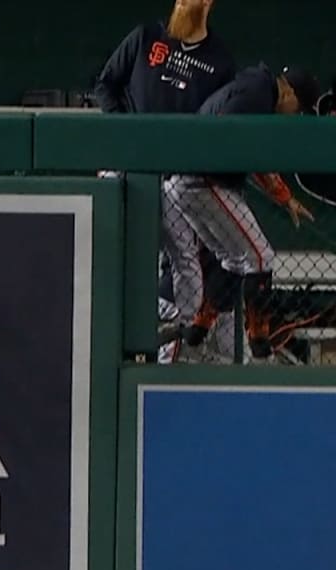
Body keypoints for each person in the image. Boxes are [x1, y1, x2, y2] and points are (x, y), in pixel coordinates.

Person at [94, 0, 237, 362]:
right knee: (109, 249)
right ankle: (102, 341)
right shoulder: (146, 37)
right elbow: (105, 86)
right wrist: (129, 131)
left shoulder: (220, 60)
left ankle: (168, 359)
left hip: (178, 177)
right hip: (131, 168)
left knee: (183, 259)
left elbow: (220, 125)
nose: (182, 3)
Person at [164, 64, 319, 360]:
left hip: (189, 182)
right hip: (203, 180)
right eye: (298, 108)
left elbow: (250, 150)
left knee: (235, 260)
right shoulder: (257, 93)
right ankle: (258, 333)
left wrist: (284, 198)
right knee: (261, 257)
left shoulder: (256, 90)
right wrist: (282, 195)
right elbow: (226, 135)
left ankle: (202, 321)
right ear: (288, 91)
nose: (294, 114)